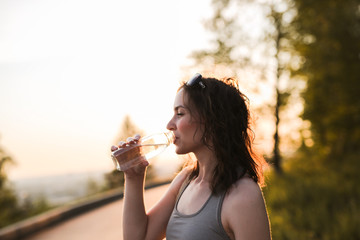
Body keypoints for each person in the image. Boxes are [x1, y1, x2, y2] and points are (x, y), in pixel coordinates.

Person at [111, 73, 271, 240]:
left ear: (212, 120)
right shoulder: (185, 180)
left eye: (180, 114)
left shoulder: (243, 195)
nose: (169, 125)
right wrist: (133, 177)